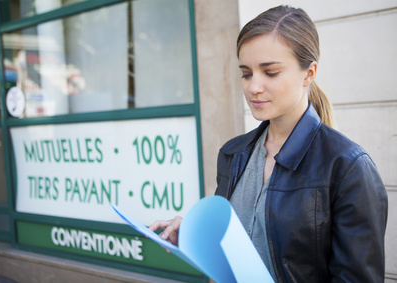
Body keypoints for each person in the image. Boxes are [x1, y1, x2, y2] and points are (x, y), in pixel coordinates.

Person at [149, 5, 388, 282]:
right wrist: (193, 235)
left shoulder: (349, 167)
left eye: (270, 72)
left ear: (309, 73)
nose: (253, 87)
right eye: (246, 73)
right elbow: (240, 248)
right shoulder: (233, 154)